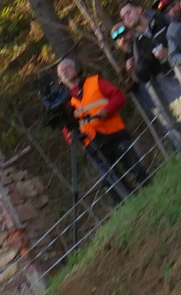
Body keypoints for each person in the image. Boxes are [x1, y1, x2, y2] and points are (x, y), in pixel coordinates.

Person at [55, 56, 148, 203]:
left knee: (135, 168)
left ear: (76, 69)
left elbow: (119, 97)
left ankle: (150, 189)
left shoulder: (95, 82)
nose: (64, 72)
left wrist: (106, 110)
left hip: (114, 134)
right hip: (92, 145)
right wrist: (73, 140)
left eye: (67, 68)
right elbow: (66, 130)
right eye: (61, 72)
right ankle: (132, 205)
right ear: (60, 79)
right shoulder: (64, 102)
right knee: (113, 183)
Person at [118, 1, 170, 82]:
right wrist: (134, 70)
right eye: (123, 18)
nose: (126, 18)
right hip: (172, 82)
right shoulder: (137, 44)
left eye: (128, 13)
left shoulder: (162, 19)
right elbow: (146, 77)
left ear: (139, 10)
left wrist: (170, 52)